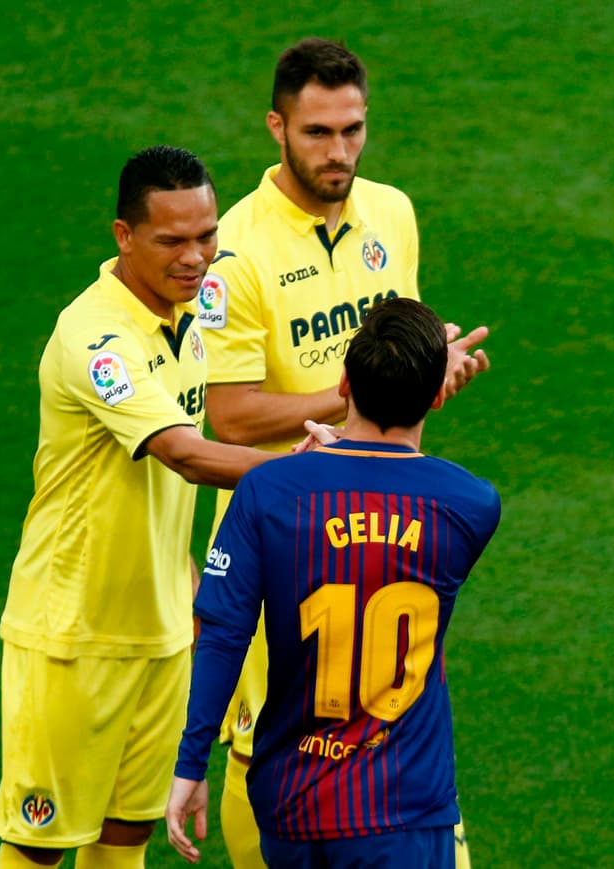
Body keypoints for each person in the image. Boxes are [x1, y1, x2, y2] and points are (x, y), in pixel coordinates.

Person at [195, 36, 489, 868]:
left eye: (353, 129)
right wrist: (366, 392)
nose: (340, 151)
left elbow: (404, 343)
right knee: (274, 739)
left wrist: (429, 373)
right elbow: (234, 415)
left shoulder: (391, 212)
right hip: (284, 532)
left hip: (386, 520)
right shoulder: (235, 251)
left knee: (388, 718)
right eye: (319, 132)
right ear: (276, 128)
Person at [0, 145, 281, 869]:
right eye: (173, 241)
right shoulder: (97, 338)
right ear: (123, 236)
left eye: (207, 235)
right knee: (39, 845)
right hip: (73, 636)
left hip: (160, 631)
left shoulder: (187, 315)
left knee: (126, 836)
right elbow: (184, 452)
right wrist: (308, 475)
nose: (197, 257)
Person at [167, 297, 502, 867]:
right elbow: (400, 499)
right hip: (402, 806)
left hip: (292, 805)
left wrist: (191, 764)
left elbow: (222, 635)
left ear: (343, 383)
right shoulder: (471, 505)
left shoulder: (268, 495)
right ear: (436, 395)